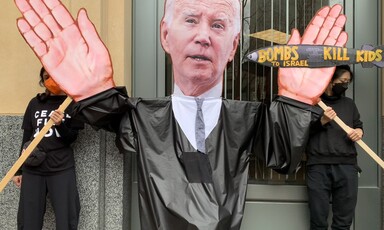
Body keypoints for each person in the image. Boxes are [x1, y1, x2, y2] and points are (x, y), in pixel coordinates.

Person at [14, 0, 348, 229]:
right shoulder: (145, 118)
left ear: (233, 45)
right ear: (165, 34)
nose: (203, 36)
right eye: (190, 19)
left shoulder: (246, 119)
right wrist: (93, 91)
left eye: (218, 24)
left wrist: (296, 103)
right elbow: (110, 115)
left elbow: (281, 153)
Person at [12, 67, 84, 230]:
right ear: (42, 81)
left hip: (61, 168)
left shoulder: (71, 104)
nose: (50, 80)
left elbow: (72, 138)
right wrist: (19, 170)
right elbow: (27, 137)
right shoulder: (34, 103)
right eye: (46, 77)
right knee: (28, 220)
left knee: (66, 218)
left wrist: (61, 124)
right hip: (33, 168)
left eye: (54, 76)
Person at [306, 65, 363, 230]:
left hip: (347, 166)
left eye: (348, 82)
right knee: (318, 220)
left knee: (343, 221)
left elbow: (358, 125)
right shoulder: (314, 103)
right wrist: (322, 121)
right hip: (318, 166)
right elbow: (301, 133)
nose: (345, 85)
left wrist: (358, 132)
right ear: (331, 80)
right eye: (342, 81)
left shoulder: (349, 104)